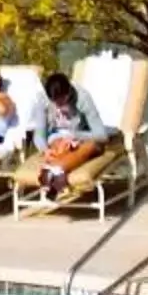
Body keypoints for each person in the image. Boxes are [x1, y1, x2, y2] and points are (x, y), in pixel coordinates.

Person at [33, 70, 114, 204]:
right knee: (58, 145)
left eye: (62, 100)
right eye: (55, 101)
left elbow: (101, 135)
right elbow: (39, 135)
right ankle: (56, 172)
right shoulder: (43, 99)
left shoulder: (82, 98)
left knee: (90, 146)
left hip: (84, 137)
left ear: (69, 91)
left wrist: (75, 136)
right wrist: (45, 151)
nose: (59, 105)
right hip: (58, 138)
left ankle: (53, 170)